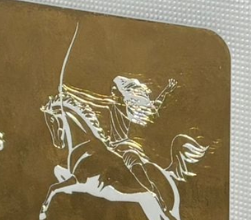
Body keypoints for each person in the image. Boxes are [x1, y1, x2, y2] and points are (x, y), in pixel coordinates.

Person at [63, 75, 176, 206]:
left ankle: (154, 192)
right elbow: (92, 99)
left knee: (133, 162)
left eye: (114, 89)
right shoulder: (113, 104)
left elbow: (94, 99)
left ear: (121, 92)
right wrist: (69, 91)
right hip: (110, 144)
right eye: (112, 88)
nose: (112, 92)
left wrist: (70, 91)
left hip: (124, 146)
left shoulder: (123, 107)